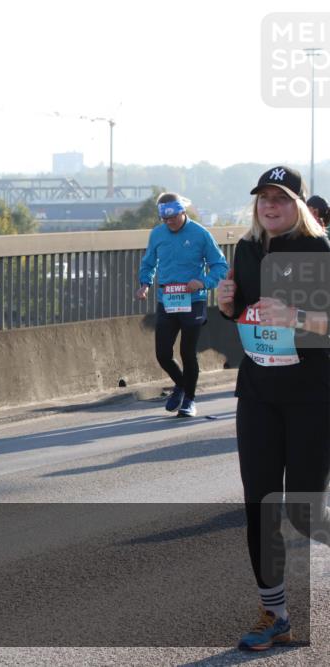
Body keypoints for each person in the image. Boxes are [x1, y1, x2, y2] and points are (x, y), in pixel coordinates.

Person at [217, 166, 330, 651]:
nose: (270, 205)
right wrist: (225, 303)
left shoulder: (319, 252)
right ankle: (276, 614)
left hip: (312, 397)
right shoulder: (245, 250)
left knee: (306, 512)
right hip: (259, 394)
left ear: (298, 206)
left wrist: (300, 318)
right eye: (263, 197)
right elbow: (241, 314)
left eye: (280, 199)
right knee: (260, 504)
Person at [135, 192, 228, 417]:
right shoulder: (157, 234)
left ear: (182, 212)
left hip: (192, 301)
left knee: (188, 352)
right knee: (163, 354)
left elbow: (220, 266)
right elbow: (148, 263)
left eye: (173, 217)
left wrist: (203, 282)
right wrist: (145, 284)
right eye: (165, 219)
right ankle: (182, 384)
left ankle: (189, 400)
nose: (170, 222)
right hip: (167, 300)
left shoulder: (200, 234)